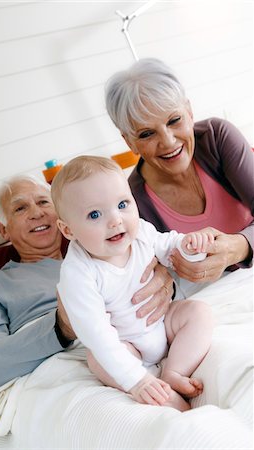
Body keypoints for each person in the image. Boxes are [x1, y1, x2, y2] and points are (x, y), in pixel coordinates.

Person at [0, 174, 171, 398]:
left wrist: (168, 287)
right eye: (20, 208)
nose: (37, 213)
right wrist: (61, 326)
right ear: (4, 230)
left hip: (147, 338)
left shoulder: (112, 250)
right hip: (69, 364)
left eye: (43, 202)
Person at [51, 155, 214, 412]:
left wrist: (191, 247)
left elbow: (169, 246)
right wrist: (137, 381)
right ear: (68, 230)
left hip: (163, 324)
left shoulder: (141, 233)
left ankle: (174, 371)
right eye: (94, 214)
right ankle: (160, 394)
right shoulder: (78, 273)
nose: (115, 219)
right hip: (126, 344)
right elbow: (97, 334)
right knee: (98, 358)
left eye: (123, 204)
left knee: (199, 312)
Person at [105, 58, 253, 299]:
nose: (168, 142)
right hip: (215, 299)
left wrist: (239, 247)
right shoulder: (134, 201)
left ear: (189, 111)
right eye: (147, 133)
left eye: (174, 120)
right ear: (129, 141)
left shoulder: (217, 137)